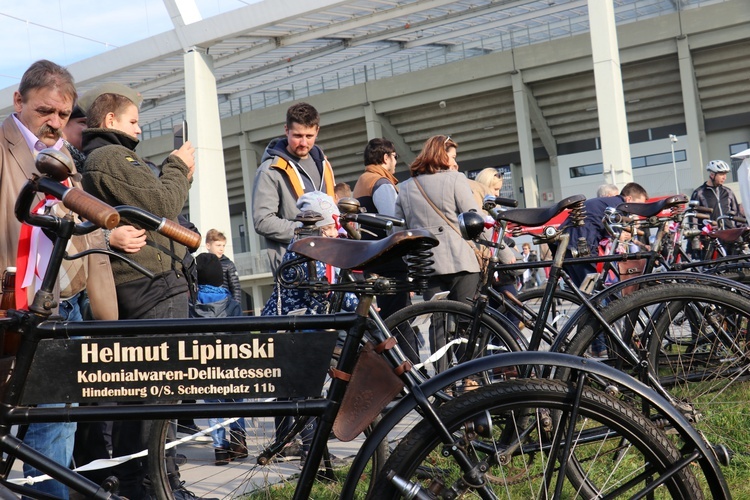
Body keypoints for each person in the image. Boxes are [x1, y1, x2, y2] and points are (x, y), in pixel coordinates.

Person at [80, 83, 199, 499]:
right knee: (159, 391)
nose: (140, 128)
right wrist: (176, 167)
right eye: (133, 121)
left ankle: (146, 482)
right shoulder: (113, 156)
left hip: (146, 284)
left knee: (146, 392)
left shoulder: (109, 157)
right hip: (151, 287)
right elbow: (162, 204)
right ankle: (154, 484)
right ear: (110, 121)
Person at [0, 59, 80, 500]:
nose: (54, 122)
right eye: (45, 111)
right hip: (12, 300)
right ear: (18, 100)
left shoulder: (64, 156)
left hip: (59, 299)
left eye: (63, 115)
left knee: (59, 414)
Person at [395, 135, 514, 372]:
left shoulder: (405, 187)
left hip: (427, 263)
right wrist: (501, 251)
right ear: (441, 155)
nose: (454, 162)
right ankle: (472, 376)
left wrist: (411, 262)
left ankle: (443, 379)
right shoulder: (456, 180)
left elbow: (401, 231)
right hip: (462, 260)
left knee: (437, 322)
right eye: (452, 156)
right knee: (468, 320)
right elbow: (474, 220)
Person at [261, 191, 355, 464]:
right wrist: (358, 301)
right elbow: (328, 291)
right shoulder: (309, 251)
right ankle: (311, 452)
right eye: (331, 227)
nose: (336, 233)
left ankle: (284, 443)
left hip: (292, 325)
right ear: (317, 226)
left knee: (290, 389)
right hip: (296, 328)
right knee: (307, 390)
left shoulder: (310, 246)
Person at [352, 138, 420, 363]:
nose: (395, 162)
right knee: (400, 320)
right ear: (385, 158)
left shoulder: (363, 180)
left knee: (388, 322)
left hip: (373, 259)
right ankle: (413, 373)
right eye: (394, 157)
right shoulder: (380, 183)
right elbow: (394, 222)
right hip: (390, 261)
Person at [252, 102, 336, 274]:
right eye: (298, 135)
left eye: (309, 136)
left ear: (317, 131)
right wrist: (309, 232)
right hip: (295, 270)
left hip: (330, 263)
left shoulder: (324, 164)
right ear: (286, 130)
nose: (304, 142)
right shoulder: (270, 171)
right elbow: (263, 221)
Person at [190, 252, 246, 466]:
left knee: (213, 405)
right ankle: (238, 441)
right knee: (236, 401)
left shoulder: (191, 303)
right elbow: (242, 334)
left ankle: (220, 450)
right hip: (230, 361)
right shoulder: (230, 302)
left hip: (204, 363)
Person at [562, 182, 649, 288]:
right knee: (594, 291)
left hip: (568, 242)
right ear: (629, 199)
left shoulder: (608, 202)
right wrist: (621, 236)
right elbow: (614, 238)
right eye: (639, 204)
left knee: (584, 290)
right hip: (580, 245)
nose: (639, 210)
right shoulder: (617, 207)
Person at [690, 160, 741, 229]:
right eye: (721, 174)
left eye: (725, 174)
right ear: (712, 175)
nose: (724, 177)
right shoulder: (699, 193)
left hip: (730, 234)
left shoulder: (728, 192)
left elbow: (736, 213)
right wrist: (695, 236)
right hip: (711, 236)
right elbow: (693, 216)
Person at [204, 229, 242, 304]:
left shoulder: (228, 264)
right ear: (208, 246)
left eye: (223, 246)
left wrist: (235, 306)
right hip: (206, 304)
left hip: (224, 304)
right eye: (218, 245)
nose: (221, 249)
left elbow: (235, 288)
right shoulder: (202, 263)